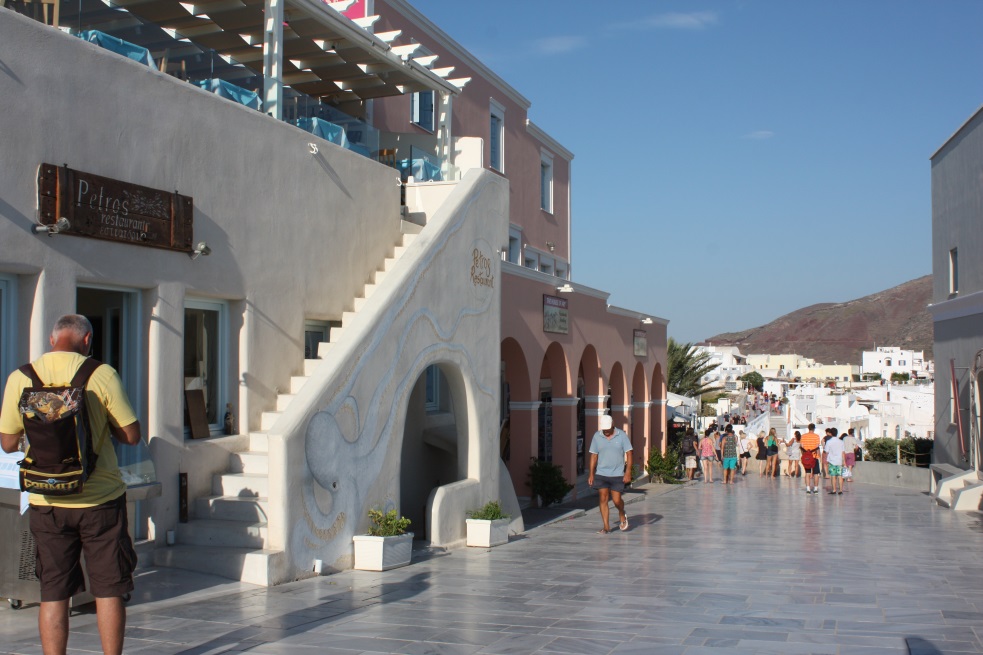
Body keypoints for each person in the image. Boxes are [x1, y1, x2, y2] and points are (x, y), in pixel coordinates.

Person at [0, 315, 143, 655]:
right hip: (100, 501)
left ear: (52, 340)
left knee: (53, 591)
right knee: (108, 588)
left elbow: (7, 442)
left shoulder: (21, 377)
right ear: (87, 339)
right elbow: (132, 435)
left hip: (46, 500)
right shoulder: (101, 373)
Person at [588, 414, 632, 534]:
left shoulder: (621, 435)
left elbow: (629, 453)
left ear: (612, 425)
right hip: (601, 473)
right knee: (603, 498)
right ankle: (606, 526)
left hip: (617, 473)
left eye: (608, 430)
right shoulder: (597, 436)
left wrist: (628, 472)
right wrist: (591, 473)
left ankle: (622, 512)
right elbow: (593, 455)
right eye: (604, 430)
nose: (606, 432)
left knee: (617, 500)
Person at [800, 423, 822, 494]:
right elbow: (817, 447)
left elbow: (802, 447)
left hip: (806, 457)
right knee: (816, 473)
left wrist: (804, 455)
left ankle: (808, 489)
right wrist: (819, 456)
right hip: (814, 457)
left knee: (807, 473)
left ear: (808, 428)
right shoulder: (816, 436)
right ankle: (815, 489)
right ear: (814, 428)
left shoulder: (803, 436)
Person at [825, 429, 846, 494]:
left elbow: (826, 451)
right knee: (840, 476)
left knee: (833, 476)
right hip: (839, 461)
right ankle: (840, 490)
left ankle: (834, 490)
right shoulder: (841, 442)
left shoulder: (829, 442)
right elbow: (843, 452)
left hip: (832, 461)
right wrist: (844, 461)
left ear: (831, 434)